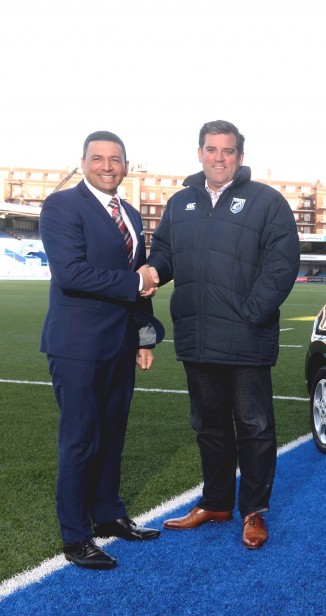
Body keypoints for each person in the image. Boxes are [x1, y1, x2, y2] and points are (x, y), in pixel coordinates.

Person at [147, 120, 300, 549]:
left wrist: (250, 313)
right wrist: (153, 269)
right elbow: (163, 252)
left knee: (254, 426)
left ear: (240, 156)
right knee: (208, 425)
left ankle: (253, 511)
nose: (219, 158)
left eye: (227, 151)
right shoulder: (180, 203)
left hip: (247, 337)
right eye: (211, 150)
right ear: (199, 153)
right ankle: (215, 501)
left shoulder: (267, 202)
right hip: (197, 337)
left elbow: (283, 264)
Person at [40, 130, 163, 570]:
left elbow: (140, 282)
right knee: (81, 439)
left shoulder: (129, 212)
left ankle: (109, 515)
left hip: (121, 342)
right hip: (77, 346)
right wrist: (136, 282)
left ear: (126, 165)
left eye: (116, 159)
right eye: (98, 158)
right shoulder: (61, 206)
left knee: (112, 434)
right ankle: (76, 536)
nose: (107, 166)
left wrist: (143, 335)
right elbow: (72, 273)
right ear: (84, 162)